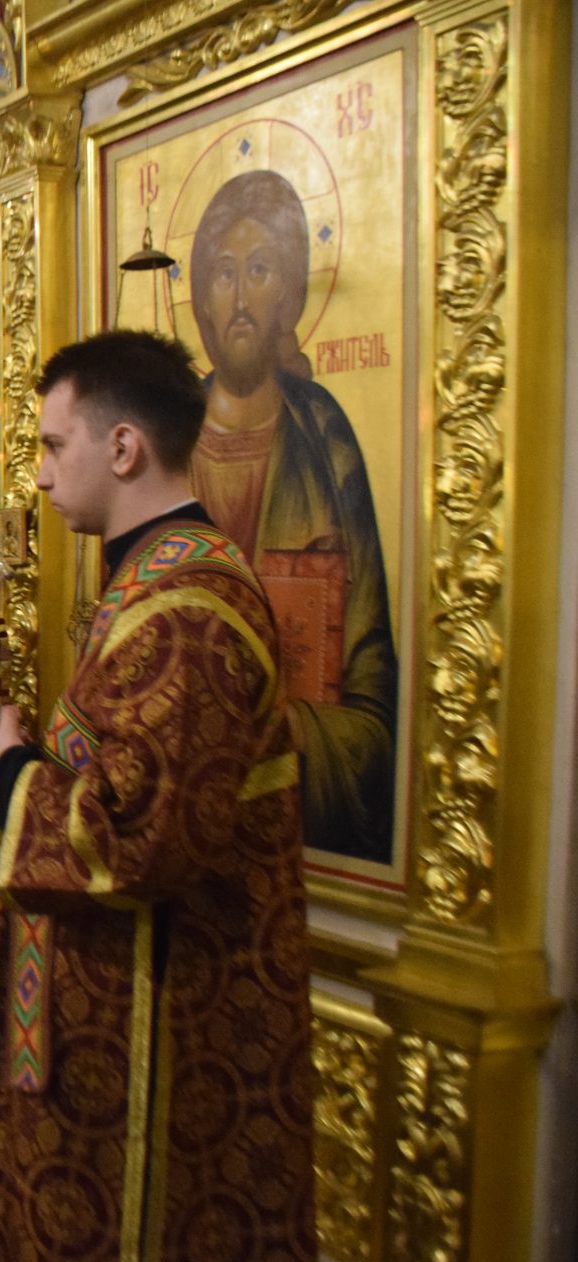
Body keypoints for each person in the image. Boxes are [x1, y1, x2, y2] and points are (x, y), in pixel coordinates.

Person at [0, 330, 317, 1262]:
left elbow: (139, 837)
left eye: (54, 446)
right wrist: (21, 750)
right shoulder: (149, 586)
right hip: (102, 1015)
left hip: (159, 1038)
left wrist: (4, 772)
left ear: (123, 447)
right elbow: (127, 772)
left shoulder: (188, 610)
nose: (39, 475)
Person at [189, 169, 397, 861]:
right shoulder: (170, 435)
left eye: (260, 270)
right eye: (224, 273)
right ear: (201, 296)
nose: (240, 298)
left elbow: (372, 701)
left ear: (290, 292)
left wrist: (295, 727)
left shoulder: (325, 438)